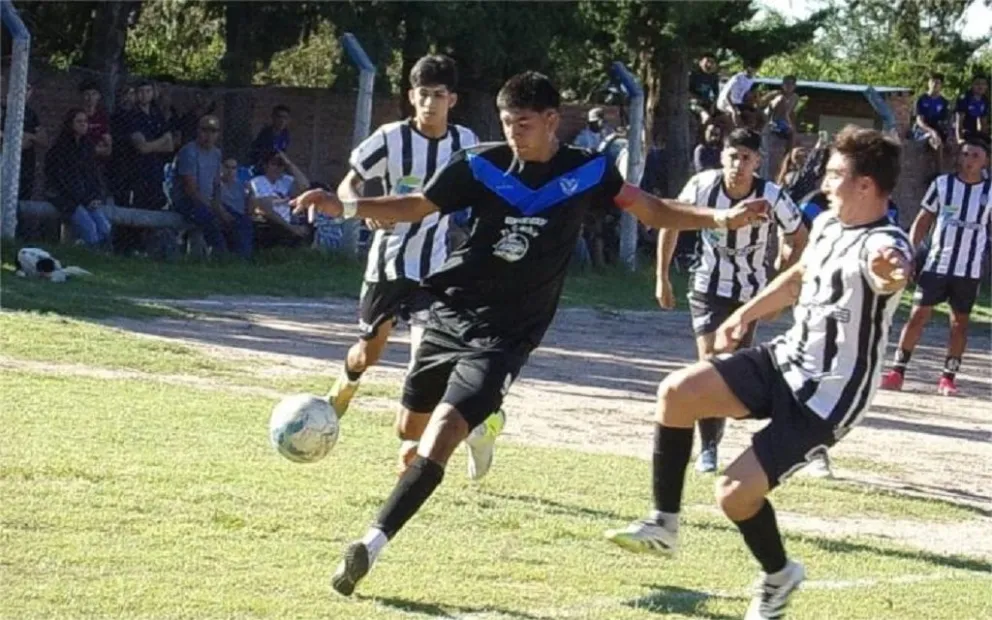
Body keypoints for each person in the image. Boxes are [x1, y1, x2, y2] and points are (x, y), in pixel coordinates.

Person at [292, 70, 770, 598]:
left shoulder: (588, 170)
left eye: (523, 123)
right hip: (452, 309)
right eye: (506, 122)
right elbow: (418, 205)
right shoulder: (480, 164)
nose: (513, 133)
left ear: (550, 120)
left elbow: (653, 209)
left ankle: (369, 545)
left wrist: (722, 220)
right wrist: (346, 206)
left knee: (441, 434)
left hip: (509, 331)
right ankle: (486, 421)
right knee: (410, 430)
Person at [606, 126, 913, 620]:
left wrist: (892, 270)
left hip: (828, 397)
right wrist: (741, 317)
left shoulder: (884, 241)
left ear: (865, 185)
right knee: (677, 392)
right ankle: (664, 523)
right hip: (785, 360)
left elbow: (892, 269)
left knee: (733, 494)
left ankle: (778, 575)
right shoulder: (828, 225)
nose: (825, 183)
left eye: (835, 174)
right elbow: (795, 280)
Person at [323, 54, 495, 479]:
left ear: (453, 99)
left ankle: (417, 450)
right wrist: (359, 208)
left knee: (426, 361)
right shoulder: (390, 138)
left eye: (439, 95)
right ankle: (345, 386)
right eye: (423, 94)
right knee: (367, 353)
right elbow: (347, 184)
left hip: (436, 269)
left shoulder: (465, 142)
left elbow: (485, 190)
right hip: (388, 265)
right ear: (411, 96)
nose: (430, 103)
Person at [656, 129, 808, 474]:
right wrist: (662, 277)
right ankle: (708, 448)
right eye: (733, 156)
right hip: (707, 286)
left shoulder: (771, 196)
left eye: (746, 158)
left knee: (730, 369)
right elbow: (670, 222)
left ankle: (782, 429)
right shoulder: (702, 186)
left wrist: (781, 281)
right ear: (722, 157)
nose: (738, 165)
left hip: (749, 294)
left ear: (757, 162)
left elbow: (800, 237)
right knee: (710, 360)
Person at [881, 136, 991, 396]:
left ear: (986, 161)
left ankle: (948, 377)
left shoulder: (989, 192)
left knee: (959, 323)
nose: (968, 160)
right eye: (965, 154)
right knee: (917, 315)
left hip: (968, 269)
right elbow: (923, 220)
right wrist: (909, 253)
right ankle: (897, 371)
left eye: (975, 156)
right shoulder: (942, 185)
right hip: (936, 264)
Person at [44, 108, 112, 248]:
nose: (83, 124)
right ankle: (90, 255)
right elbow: (63, 181)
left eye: (85, 121)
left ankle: (102, 255)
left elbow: (93, 175)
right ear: (70, 124)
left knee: (105, 227)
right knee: (90, 227)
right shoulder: (61, 149)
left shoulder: (87, 147)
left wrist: (95, 196)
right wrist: (84, 199)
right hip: (64, 197)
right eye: (79, 121)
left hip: (84, 197)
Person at [172, 115, 231, 255]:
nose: (208, 135)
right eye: (205, 130)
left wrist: (219, 206)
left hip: (207, 202)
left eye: (213, 131)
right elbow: (190, 189)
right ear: (198, 131)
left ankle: (243, 256)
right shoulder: (188, 152)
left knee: (239, 219)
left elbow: (216, 184)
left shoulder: (217, 153)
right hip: (186, 202)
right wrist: (213, 208)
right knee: (210, 218)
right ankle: (222, 256)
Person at [249, 149, 312, 247]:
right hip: (267, 222)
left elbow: (305, 186)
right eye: (274, 164)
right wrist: (292, 228)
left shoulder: (285, 180)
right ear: (265, 166)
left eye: (281, 165)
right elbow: (266, 210)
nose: (278, 168)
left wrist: (289, 164)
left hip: (287, 223)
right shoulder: (258, 182)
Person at [911, 73, 951, 171]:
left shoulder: (944, 102)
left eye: (937, 83)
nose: (934, 84)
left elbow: (945, 121)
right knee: (936, 142)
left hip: (937, 129)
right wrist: (931, 131)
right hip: (922, 130)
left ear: (941, 85)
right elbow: (919, 121)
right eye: (932, 82)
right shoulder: (921, 99)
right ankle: (939, 172)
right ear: (928, 83)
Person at [248, 105, 292, 172]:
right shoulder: (265, 134)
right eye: (279, 117)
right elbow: (258, 154)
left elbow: (283, 151)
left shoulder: (285, 134)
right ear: (273, 117)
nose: (282, 120)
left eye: (285, 118)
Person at [716, 64, 758, 130]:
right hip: (725, 102)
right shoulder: (737, 78)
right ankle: (738, 130)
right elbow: (727, 95)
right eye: (749, 71)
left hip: (737, 103)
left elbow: (745, 94)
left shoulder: (752, 80)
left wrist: (752, 103)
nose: (751, 73)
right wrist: (733, 110)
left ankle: (749, 131)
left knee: (752, 115)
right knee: (736, 113)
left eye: (753, 71)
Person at [689, 53, 721, 128]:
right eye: (707, 61)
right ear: (700, 63)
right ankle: (700, 134)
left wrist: (713, 105)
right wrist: (694, 98)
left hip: (707, 103)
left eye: (712, 62)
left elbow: (716, 93)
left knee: (725, 118)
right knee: (706, 117)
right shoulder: (693, 75)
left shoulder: (714, 77)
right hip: (693, 104)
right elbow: (685, 91)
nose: (709, 64)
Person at [955, 75, 990, 143]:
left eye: (983, 84)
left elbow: (983, 123)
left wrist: (984, 139)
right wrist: (959, 140)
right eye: (977, 84)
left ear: (986, 86)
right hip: (962, 130)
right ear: (972, 85)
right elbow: (959, 122)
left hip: (974, 130)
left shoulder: (985, 100)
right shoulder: (964, 98)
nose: (980, 86)